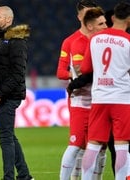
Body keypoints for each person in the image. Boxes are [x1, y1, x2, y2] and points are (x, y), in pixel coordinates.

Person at [0, 6, 33, 180]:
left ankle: (8, 177)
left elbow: (18, 73)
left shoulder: (17, 41)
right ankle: (24, 175)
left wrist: (0, 93)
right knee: (9, 135)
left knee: (5, 137)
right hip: (2, 95)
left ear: (9, 20)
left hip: (9, 96)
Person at [56, 1, 106, 179]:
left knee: (100, 145)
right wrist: (75, 75)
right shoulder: (71, 42)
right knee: (79, 144)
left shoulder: (103, 40)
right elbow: (60, 72)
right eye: (87, 14)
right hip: (80, 100)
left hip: (101, 100)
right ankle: (74, 177)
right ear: (79, 17)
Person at [80, 2, 130, 179]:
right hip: (122, 100)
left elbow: (85, 68)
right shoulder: (128, 41)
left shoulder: (95, 39)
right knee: (122, 145)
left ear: (113, 17)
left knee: (93, 144)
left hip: (100, 98)